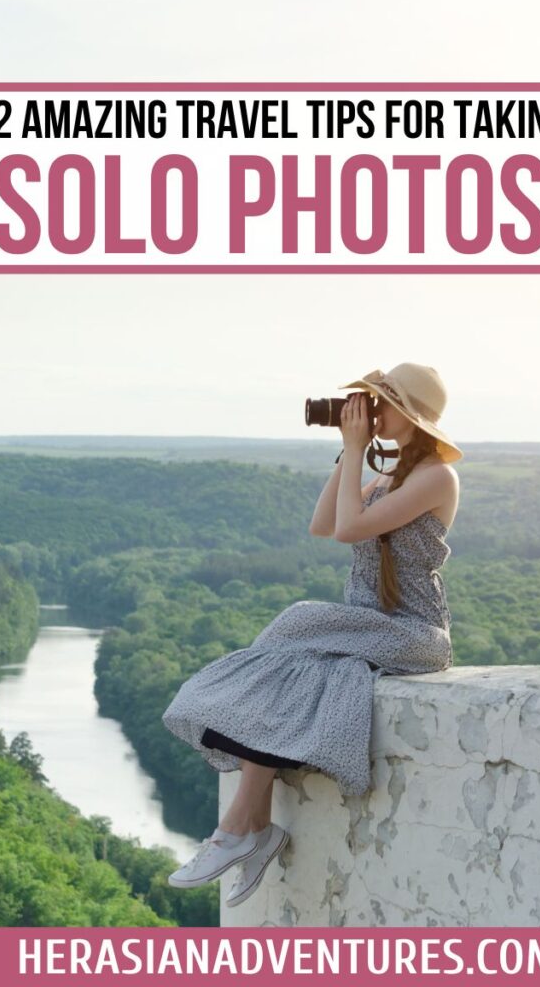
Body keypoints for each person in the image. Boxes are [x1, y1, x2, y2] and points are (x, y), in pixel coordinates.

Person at [162, 363, 462, 908]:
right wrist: (351, 452)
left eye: (381, 403)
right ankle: (251, 826)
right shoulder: (389, 477)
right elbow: (323, 524)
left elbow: (349, 528)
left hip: (413, 631)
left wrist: (355, 448)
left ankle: (240, 833)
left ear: (412, 416)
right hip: (364, 626)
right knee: (290, 673)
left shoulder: (436, 477)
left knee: (297, 623)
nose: (371, 411)